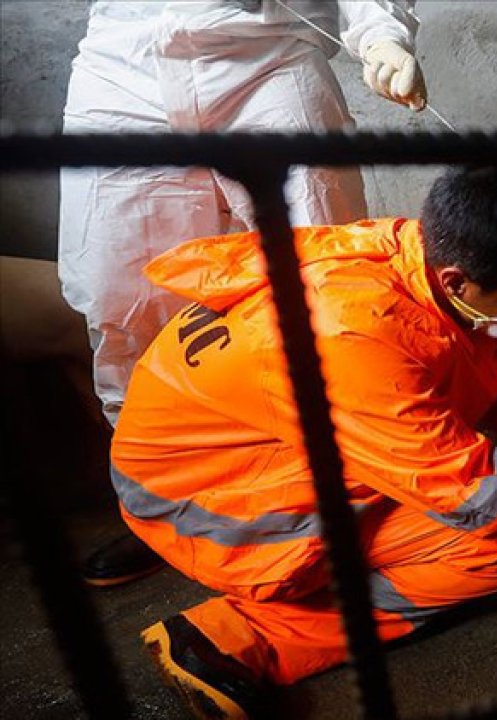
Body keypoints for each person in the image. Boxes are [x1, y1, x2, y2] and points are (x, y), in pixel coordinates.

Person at [112, 166, 497, 718]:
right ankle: (236, 637)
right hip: (211, 507)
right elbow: (492, 498)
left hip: (213, 455)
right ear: (461, 278)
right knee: (495, 548)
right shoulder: (357, 343)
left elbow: (483, 384)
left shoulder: (419, 260)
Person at [59, 0, 428, 587]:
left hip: (270, 56)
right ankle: (159, 506)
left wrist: (380, 35)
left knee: (322, 288)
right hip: (125, 67)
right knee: (124, 301)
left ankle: (359, 492)